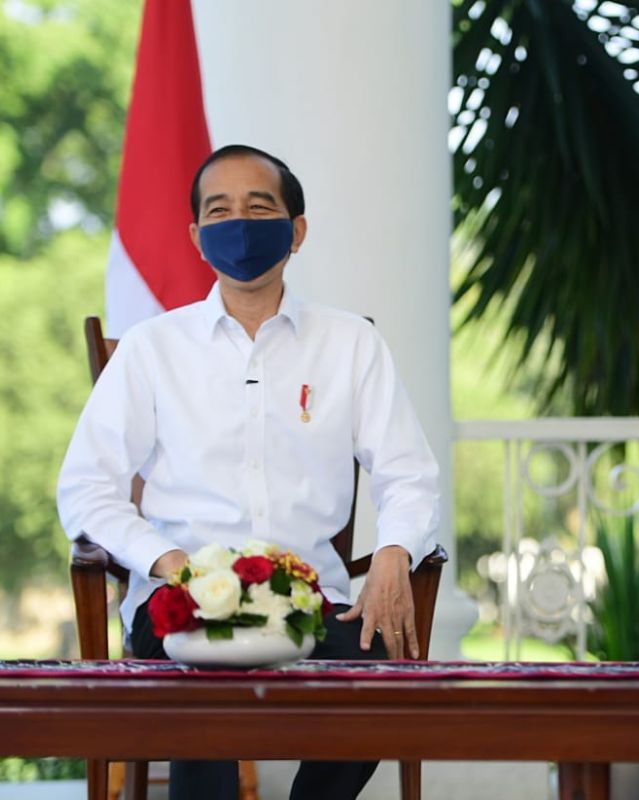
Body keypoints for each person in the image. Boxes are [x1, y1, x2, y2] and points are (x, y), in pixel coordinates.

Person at [57, 144, 440, 800]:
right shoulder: (153, 348)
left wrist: (396, 551)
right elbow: (86, 485)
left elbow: (408, 472)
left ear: (296, 230)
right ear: (198, 236)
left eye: (259, 207)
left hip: (310, 602)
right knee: (200, 697)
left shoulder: (350, 344)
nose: (239, 221)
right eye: (220, 210)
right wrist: (167, 560)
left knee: (383, 682)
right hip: (184, 599)